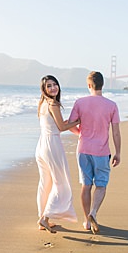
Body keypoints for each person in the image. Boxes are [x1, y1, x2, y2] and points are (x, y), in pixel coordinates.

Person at [68, 71, 121, 234]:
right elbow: (116, 132)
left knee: (86, 185)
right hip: (102, 151)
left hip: (83, 149)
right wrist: (118, 152)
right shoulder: (111, 105)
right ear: (102, 85)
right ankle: (94, 212)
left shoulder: (80, 102)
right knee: (101, 185)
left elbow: (70, 125)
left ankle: (86, 221)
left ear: (89, 85)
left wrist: (81, 134)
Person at [35, 75, 80, 233]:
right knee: (61, 183)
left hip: (41, 145)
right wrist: (79, 121)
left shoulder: (42, 103)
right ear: (44, 89)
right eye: (49, 86)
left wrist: (69, 122)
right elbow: (60, 127)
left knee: (45, 183)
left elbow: (55, 125)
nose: (53, 88)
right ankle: (45, 218)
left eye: (55, 84)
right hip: (52, 145)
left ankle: (42, 218)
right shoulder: (53, 103)